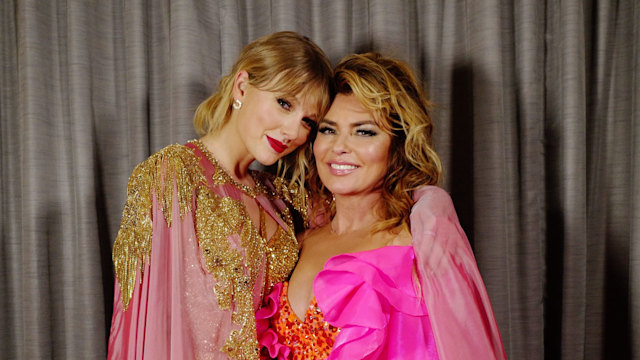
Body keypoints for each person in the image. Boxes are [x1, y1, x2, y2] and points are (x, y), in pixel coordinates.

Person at [256, 52, 506, 359]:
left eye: (364, 132)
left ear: (397, 146)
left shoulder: (414, 255)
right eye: (328, 129)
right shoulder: (296, 240)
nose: (340, 147)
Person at [107, 31, 333, 359]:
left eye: (307, 122)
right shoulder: (174, 174)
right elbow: (148, 320)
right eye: (284, 103)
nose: (293, 132)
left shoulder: (281, 199)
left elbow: (366, 218)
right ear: (241, 87)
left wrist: (430, 207)